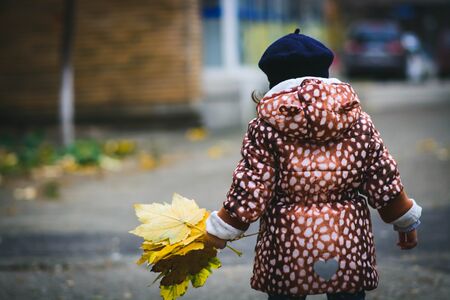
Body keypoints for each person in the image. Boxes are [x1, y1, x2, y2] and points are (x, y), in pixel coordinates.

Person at [204, 29, 422, 300]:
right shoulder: (357, 121)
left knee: (286, 293)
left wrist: (223, 228)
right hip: (346, 239)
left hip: (287, 241)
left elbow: (252, 186)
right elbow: (382, 177)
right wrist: (404, 220)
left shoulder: (265, 127)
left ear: (273, 81)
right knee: (347, 294)